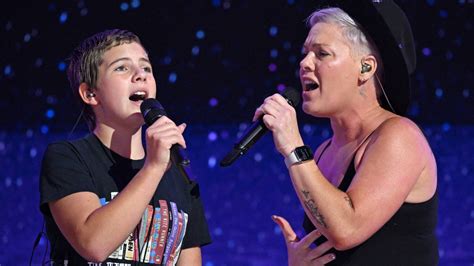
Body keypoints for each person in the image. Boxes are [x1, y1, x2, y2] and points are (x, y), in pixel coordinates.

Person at [256, 0, 438, 265]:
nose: (305, 63)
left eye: (322, 53)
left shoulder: (400, 137)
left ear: (365, 68)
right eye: (305, 53)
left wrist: (294, 147)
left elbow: (346, 229)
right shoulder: (323, 153)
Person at [39, 29, 211, 265]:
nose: (140, 75)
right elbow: (94, 244)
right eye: (122, 67)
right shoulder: (67, 158)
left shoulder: (179, 175)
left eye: (146, 68)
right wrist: (152, 168)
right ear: (90, 93)